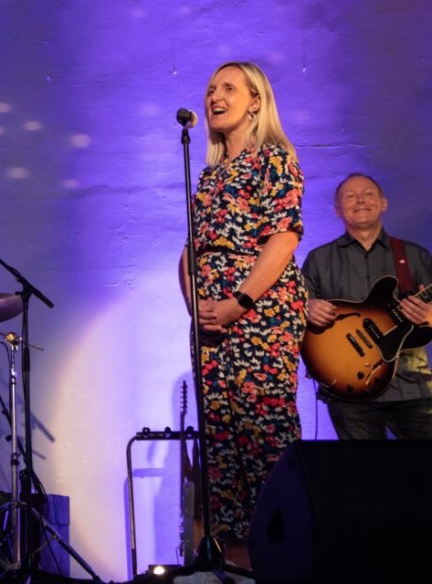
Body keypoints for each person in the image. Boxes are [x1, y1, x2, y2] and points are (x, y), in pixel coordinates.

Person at [178, 61, 306, 568]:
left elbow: (283, 238)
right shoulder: (210, 176)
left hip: (259, 316)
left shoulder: (273, 159)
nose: (215, 95)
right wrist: (197, 305)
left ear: (255, 101)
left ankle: (285, 557)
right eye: (211, 88)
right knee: (221, 445)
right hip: (211, 324)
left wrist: (237, 303)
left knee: (263, 432)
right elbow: (190, 252)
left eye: (229, 88)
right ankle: (236, 564)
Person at [302, 173, 432, 438]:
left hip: (413, 385)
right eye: (350, 196)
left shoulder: (415, 255)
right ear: (338, 210)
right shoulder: (319, 259)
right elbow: (291, 310)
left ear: (383, 203)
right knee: (363, 464)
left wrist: (430, 315)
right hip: (348, 391)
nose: (360, 200)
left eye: (368, 194)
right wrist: (307, 306)